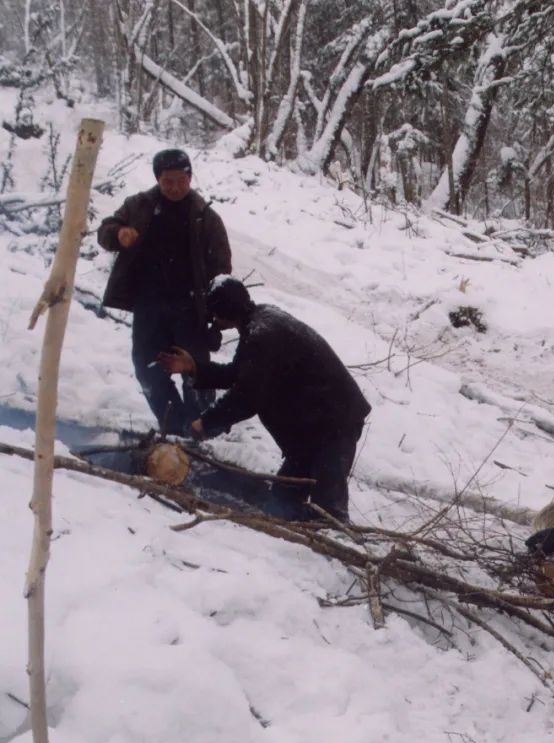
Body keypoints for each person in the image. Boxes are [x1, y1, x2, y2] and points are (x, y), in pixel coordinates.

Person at [157, 277, 372, 522]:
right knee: (283, 499)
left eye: (214, 314)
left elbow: (246, 397)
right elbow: (237, 374)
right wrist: (194, 367)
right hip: (311, 427)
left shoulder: (262, 336)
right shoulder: (259, 323)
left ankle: (340, 552)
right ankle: (296, 544)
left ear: (224, 312)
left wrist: (206, 423)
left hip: (334, 421)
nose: (213, 321)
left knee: (328, 507)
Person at [97, 148, 232, 435]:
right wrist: (119, 235)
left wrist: (217, 314)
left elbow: (221, 269)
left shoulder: (206, 217)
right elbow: (106, 230)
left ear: (190, 177)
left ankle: (204, 428)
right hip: (149, 306)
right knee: (148, 368)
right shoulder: (140, 206)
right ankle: (174, 424)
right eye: (167, 182)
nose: (174, 188)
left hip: (190, 308)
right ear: (158, 179)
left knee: (194, 370)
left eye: (180, 181)